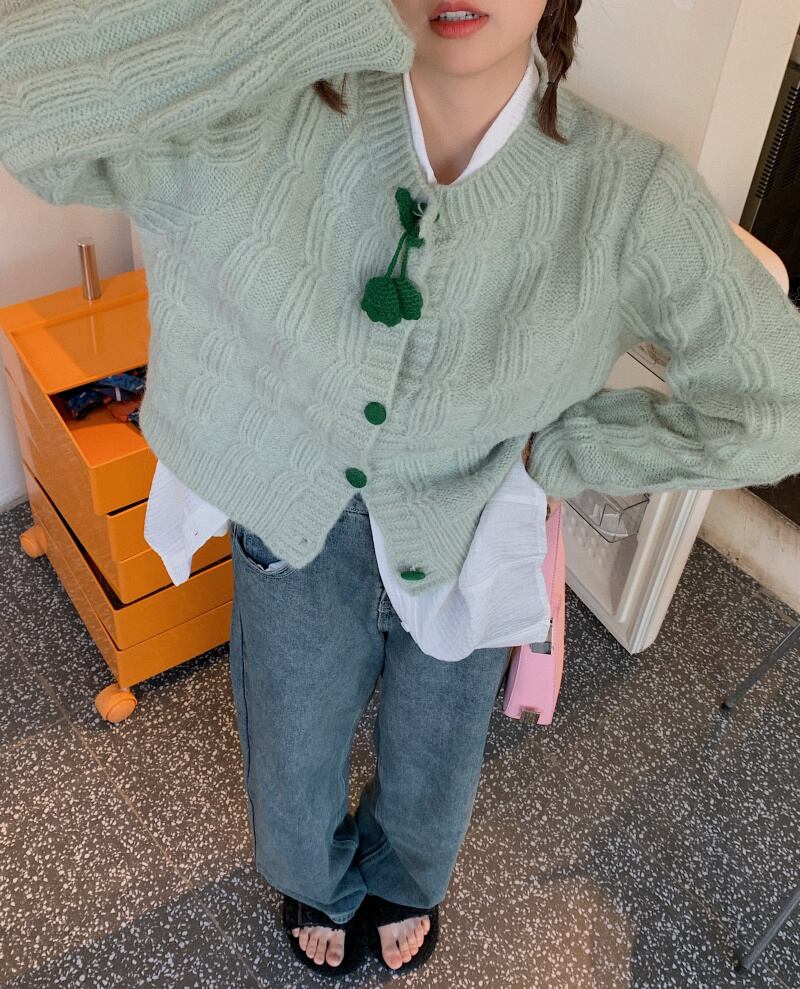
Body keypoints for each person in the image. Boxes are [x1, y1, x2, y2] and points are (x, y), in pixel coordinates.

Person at [3, 0, 800, 978]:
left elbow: (775, 406)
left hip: (471, 524)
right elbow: (22, 96)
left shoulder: (629, 192)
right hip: (292, 520)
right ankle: (315, 881)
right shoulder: (270, 111)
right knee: (291, 741)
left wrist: (567, 450)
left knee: (437, 755)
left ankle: (407, 880)